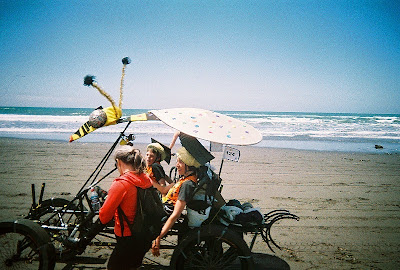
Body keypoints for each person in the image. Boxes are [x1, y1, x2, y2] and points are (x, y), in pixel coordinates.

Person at [151, 133, 215, 257]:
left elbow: (176, 214)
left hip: (165, 210)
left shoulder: (188, 184)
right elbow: (164, 191)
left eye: (180, 162)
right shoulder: (184, 179)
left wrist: (158, 237)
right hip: (163, 204)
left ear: (189, 165)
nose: (177, 165)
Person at [99, 145, 153, 270]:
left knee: (113, 266)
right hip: (145, 234)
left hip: (127, 236)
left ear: (119, 162)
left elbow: (104, 216)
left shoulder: (121, 183)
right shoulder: (146, 178)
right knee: (133, 265)